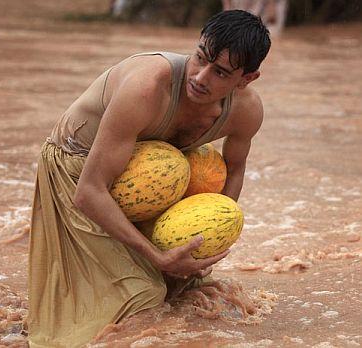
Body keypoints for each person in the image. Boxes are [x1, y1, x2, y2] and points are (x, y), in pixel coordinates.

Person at [28, 10, 271, 348]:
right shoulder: (146, 88)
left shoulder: (247, 111)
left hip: (146, 172)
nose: (201, 77)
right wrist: (156, 257)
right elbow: (89, 192)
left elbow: (235, 169)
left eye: (220, 73)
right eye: (199, 58)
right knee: (142, 297)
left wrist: (211, 240)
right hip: (76, 170)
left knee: (189, 287)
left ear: (246, 79)